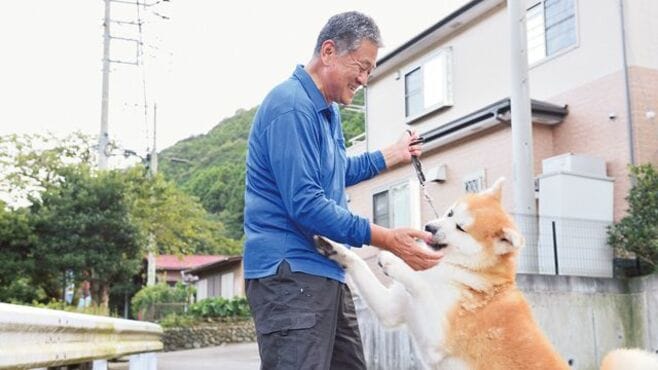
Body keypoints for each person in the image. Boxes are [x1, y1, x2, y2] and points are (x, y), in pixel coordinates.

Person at [243, 11, 443, 370]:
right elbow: (305, 202)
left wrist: (392, 155)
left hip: (326, 270)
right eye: (362, 67)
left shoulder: (327, 112)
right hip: (289, 273)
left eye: (370, 71)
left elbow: (335, 171)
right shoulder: (291, 106)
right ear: (330, 51)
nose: (365, 79)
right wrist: (385, 238)